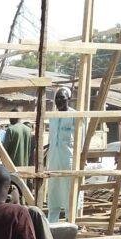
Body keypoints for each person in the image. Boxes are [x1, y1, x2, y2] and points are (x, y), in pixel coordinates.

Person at [47, 87, 77, 222]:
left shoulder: (74, 115)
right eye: (57, 98)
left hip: (68, 159)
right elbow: (51, 139)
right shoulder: (53, 116)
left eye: (62, 98)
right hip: (53, 158)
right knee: (53, 190)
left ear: (68, 99)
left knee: (68, 190)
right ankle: (52, 222)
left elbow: (79, 140)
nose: (59, 100)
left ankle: (70, 221)